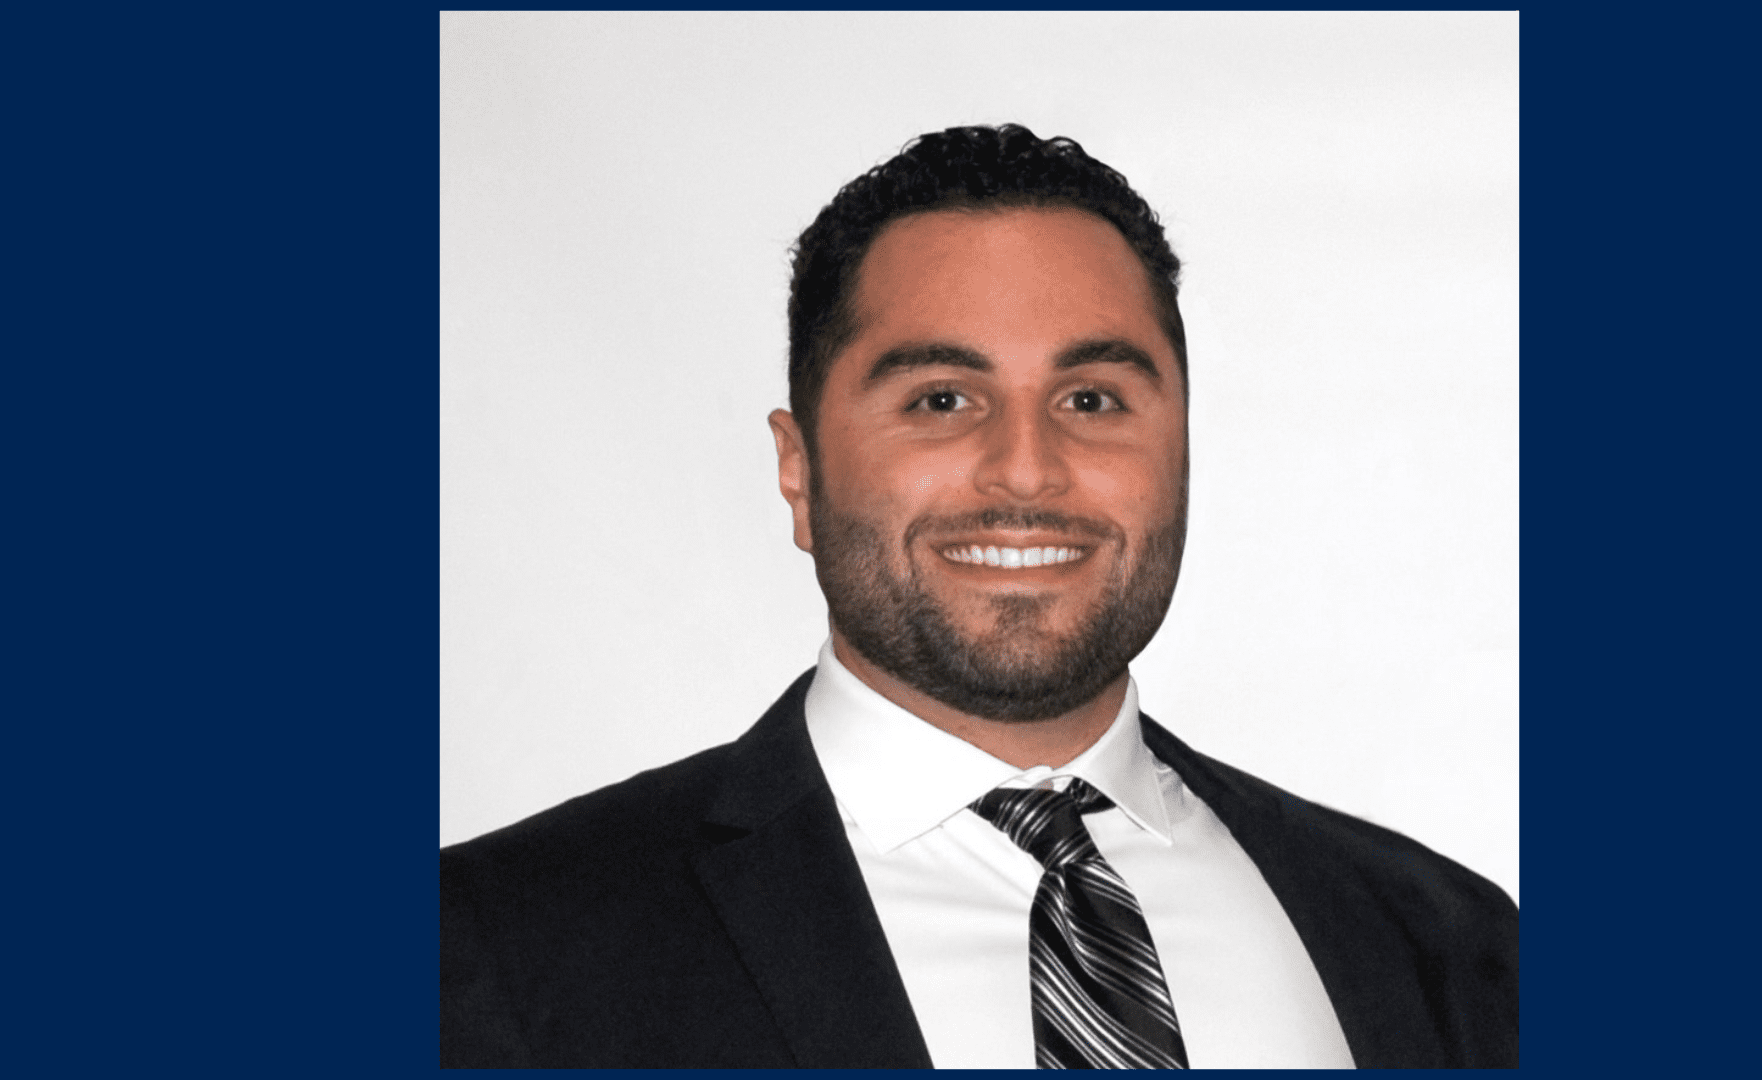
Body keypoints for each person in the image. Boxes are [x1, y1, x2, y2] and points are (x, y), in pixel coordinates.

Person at [440, 123, 1518, 1069]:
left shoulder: (1450, 944)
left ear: (1182, 449)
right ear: (800, 471)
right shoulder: (491, 946)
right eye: (942, 399)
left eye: (1091, 399)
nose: (1026, 473)